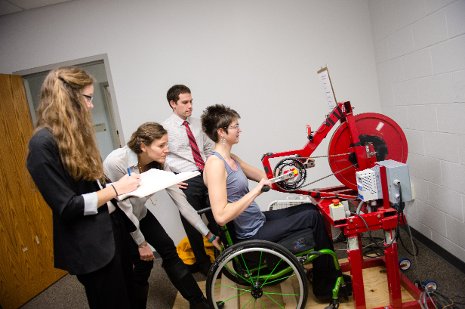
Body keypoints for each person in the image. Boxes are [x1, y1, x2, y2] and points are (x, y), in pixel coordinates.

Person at [26, 66, 141, 308]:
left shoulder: (75, 135)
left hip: (113, 231)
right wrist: (115, 189)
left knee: (133, 295)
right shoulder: (42, 144)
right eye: (88, 98)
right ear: (67, 98)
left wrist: (125, 187)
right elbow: (68, 206)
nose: (91, 106)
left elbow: (92, 184)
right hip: (92, 245)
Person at [201, 104, 340, 300]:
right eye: (235, 126)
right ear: (221, 132)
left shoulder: (231, 157)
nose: (240, 130)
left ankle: (324, 275)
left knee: (310, 208)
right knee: (312, 217)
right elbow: (221, 216)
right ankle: (326, 288)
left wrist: (295, 168)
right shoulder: (215, 164)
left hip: (258, 220)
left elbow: (265, 177)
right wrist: (256, 192)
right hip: (251, 233)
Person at [103, 122, 219, 309]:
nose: (167, 150)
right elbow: (124, 208)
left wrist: (208, 233)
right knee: (142, 265)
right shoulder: (116, 162)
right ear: (143, 146)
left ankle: (198, 303)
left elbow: (182, 203)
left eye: (167, 144)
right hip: (120, 221)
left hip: (140, 213)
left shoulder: (159, 163)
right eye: (161, 145)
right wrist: (141, 243)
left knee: (168, 250)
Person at [162, 84, 218, 276]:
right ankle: (203, 265)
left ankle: (225, 256)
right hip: (186, 179)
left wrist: (213, 168)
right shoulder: (164, 129)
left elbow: (209, 149)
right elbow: (160, 158)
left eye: (191, 101)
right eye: (185, 102)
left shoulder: (198, 123)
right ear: (173, 103)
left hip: (206, 175)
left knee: (217, 217)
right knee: (192, 225)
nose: (190, 106)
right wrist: (170, 180)